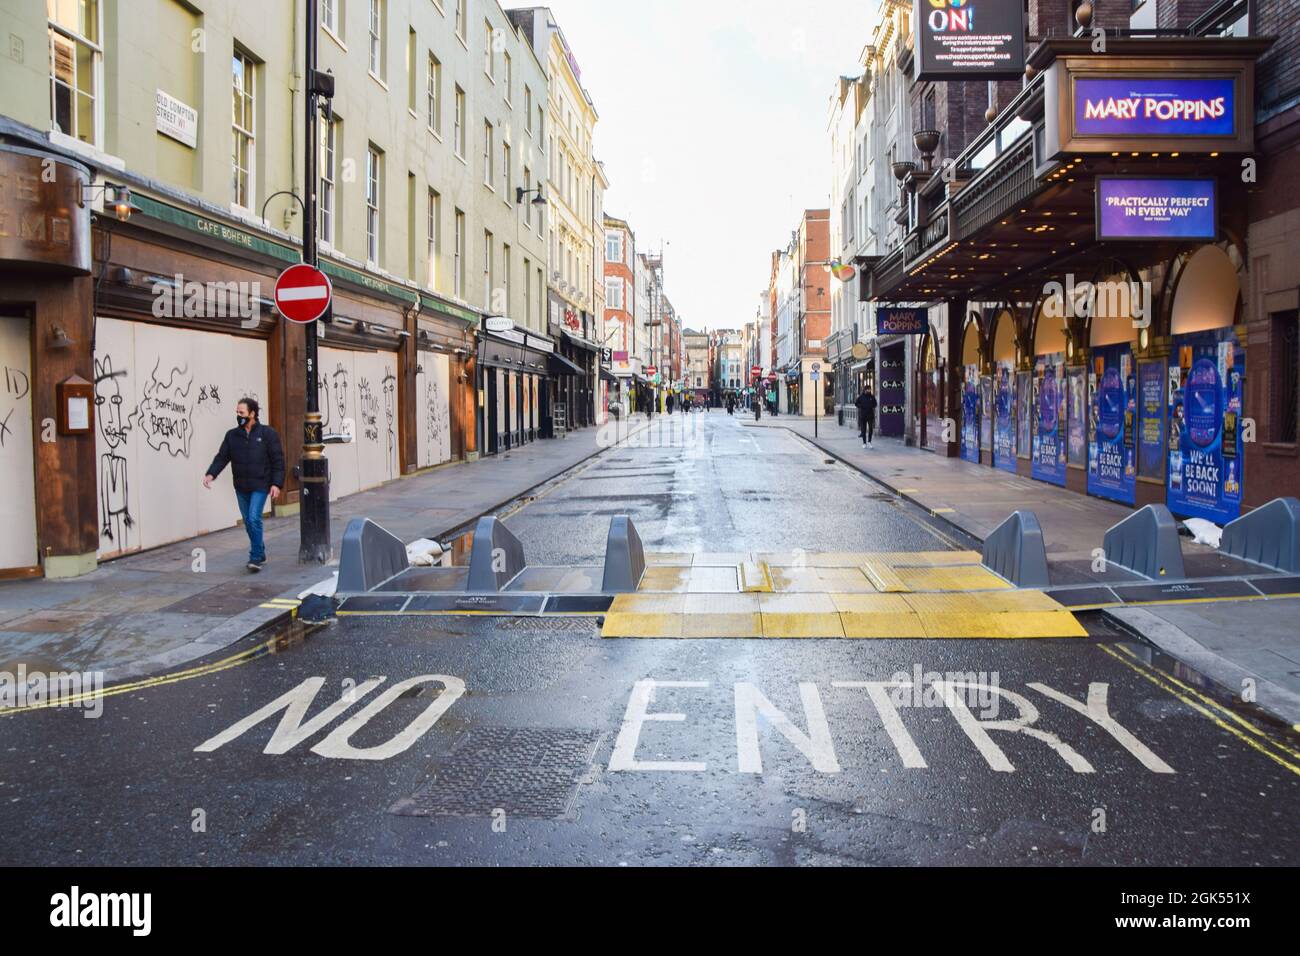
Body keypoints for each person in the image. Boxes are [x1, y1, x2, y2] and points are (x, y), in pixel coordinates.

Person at [203, 397, 285, 572]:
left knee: (254, 518)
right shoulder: (232, 436)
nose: (239, 416)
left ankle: (255, 557)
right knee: (248, 522)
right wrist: (211, 473)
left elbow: (278, 460)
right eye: (237, 413)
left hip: (261, 485)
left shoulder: (267, 434)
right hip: (241, 486)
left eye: (242, 413)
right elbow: (222, 457)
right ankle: (260, 551)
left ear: (252, 414)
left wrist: (276, 484)